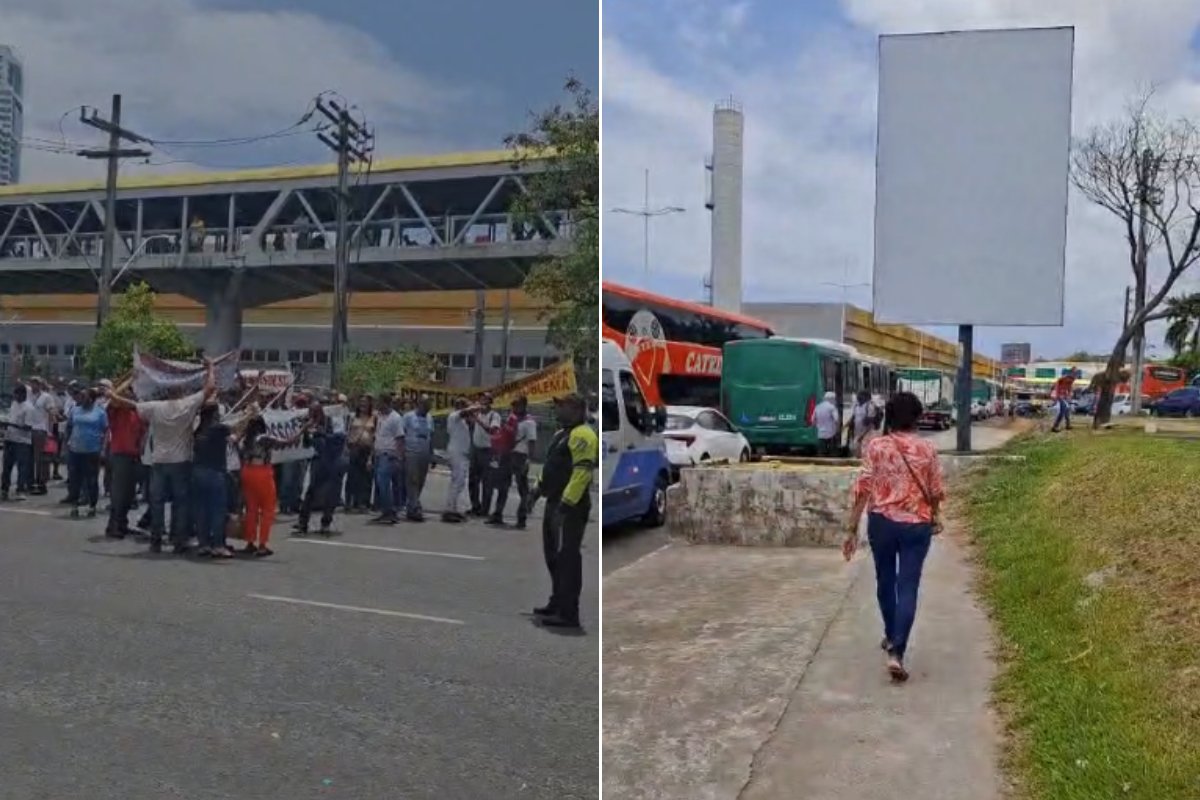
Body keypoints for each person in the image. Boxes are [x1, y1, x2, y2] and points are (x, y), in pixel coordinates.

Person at [842, 391, 946, 683]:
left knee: (885, 581)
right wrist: (934, 514)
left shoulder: (876, 446)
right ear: (916, 417)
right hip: (916, 526)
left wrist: (851, 528)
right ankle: (896, 651)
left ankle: (890, 635)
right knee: (908, 585)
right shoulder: (927, 449)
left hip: (882, 524)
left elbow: (862, 488)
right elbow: (936, 491)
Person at [109, 360, 215, 554]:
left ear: (167, 392)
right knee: (180, 502)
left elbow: (129, 404)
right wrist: (210, 368)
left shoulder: (155, 407)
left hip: (159, 461)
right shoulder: (188, 405)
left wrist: (113, 393)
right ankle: (178, 541)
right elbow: (210, 388)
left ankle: (156, 541)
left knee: (156, 502)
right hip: (181, 461)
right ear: (182, 392)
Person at [537, 394, 598, 630]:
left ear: (576, 409)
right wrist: (536, 490)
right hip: (554, 502)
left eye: (562, 406)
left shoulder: (583, 434)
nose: (557, 410)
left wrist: (565, 505)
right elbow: (550, 467)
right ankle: (557, 601)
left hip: (569, 507)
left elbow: (581, 473)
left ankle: (568, 612)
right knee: (553, 556)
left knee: (567, 559)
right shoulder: (561, 434)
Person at [240, 408, 296, 557]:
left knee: (251, 509)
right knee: (267, 509)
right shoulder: (264, 438)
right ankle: (262, 544)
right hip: (262, 472)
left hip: (247, 470)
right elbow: (288, 442)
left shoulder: (246, 439)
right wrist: (304, 428)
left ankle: (250, 541)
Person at [192, 402, 236, 558]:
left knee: (202, 509)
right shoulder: (218, 428)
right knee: (218, 510)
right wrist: (250, 414)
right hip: (215, 472)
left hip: (198, 471)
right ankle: (218, 544)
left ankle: (203, 543)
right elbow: (235, 428)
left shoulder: (198, 430)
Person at [295, 402, 347, 536]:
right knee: (311, 491)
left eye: (316, 412)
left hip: (334, 460)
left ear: (321, 412)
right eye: (311, 413)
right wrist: (306, 433)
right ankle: (302, 523)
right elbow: (307, 445)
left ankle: (326, 522)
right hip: (318, 461)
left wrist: (322, 433)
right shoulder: (309, 424)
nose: (313, 416)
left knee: (331, 494)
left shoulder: (333, 421)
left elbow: (340, 438)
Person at [488, 395, 537, 529]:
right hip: (508, 454)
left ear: (523, 406)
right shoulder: (512, 419)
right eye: (513, 405)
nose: (514, 408)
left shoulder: (529, 422)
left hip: (521, 456)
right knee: (503, 486)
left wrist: (529, 459)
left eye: (517, 405)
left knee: (523, 489)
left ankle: (522, 518)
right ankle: (497, 514)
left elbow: (532, 442)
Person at [105, 378, 145, 540]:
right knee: (119, 493)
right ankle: (113, 525)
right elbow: (113, 396)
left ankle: (122, 523)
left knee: (129, 494)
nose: (130, 395)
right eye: (129, 392)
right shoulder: (117, 411)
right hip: (120, 454)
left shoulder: (137, 412)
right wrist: (133, 377)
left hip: (135, 456)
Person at [66, 388, 108, 519]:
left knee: (91, 479)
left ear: (91, 398)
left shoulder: (100, 412)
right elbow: (70, 426)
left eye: (84, 396)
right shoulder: (75, 410)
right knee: (74, 480)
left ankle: (92, 505)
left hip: (92, 451)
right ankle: (74, 505)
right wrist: (67, 443)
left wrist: (103, 449)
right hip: (75, 450)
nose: (81, 398)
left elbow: (106, 431)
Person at [370, 394, 404, 525]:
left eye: (379, 402)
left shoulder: (395, 418)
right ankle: (385, 511)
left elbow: (400, 438)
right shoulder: (380, 416)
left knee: (383, 483)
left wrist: (399, 457)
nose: (377, 405)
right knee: (380, 484)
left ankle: (390, 511)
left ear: (386, 403)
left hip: (388, 454)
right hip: (379, 453)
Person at [442, 398, 474, 523]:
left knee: (459, 482)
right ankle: (450, 510)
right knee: (458, 481)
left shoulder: (463, 421)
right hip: (457, 453)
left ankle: (453, 508)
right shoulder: (454, 416)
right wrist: (477, 407)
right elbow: (465, 412)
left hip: (462, 453)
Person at [402, 395, 433, 522]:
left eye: (429, 405)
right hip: (411, 451)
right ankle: (414, 508)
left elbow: (432, 436)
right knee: (412, 479)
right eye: (425, 405)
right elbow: (401, 433)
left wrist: (431, 454)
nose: (427, 408)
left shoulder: (429, 417)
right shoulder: (408, 416)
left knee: (421, 480)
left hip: (424, 451)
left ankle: (412, 505)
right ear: (419, 404)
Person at [468, 393, 500, 516]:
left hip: (487, 451)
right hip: (476, 449)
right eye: (482, 400)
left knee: (487, 482)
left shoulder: (494, 415)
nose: (483, 402)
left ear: (490, 402)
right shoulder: (478, 413)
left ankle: (484, 510)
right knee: (473, 479)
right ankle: (475, 505)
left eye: (485, 400)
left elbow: (492, 430)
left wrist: (478, 420)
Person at [1, 384, 32, 502]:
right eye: (15, 394)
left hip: (22, 441)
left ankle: (20, 490)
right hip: (10, 439)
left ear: (23, 394)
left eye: (17, 394)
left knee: (22, 467)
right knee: (6, 466)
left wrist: (11, 425)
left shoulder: (28, 408)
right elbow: (10, 418)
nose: (15, 397)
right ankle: (4, 489)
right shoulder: (14, 404)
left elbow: (28, 427)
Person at [345, 396, 375, 513]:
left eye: (366, 402)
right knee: (352, 476)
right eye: (361, 402)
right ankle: (349, 501)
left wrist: (371, 456)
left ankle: (362, 503)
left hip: (367, 449)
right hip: (354, 448)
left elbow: (374, 436)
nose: (363, 404)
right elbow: (347, 432)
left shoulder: (373, 418)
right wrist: (346, 448)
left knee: (366, 477)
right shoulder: (353, 417)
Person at [26, 377, 54, 495]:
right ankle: (30, 482)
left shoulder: (46, 397)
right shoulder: (28, 394)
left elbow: (51, 413)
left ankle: (41, 483)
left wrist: (50, 431)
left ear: (41, 385)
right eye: (32, 383)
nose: (33, 385)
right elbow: (15, 381)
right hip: (27, 429)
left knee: (40, 459)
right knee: (28, 458)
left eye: (36, 383)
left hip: (40, 430)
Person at [848, 390, 881, 457]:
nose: (858, 397)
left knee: (867, 453)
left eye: (860, 396)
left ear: (866, 397)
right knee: (856, 451)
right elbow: (853, 418)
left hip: (868, 434)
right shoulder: (856, 406)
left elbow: (870, 424)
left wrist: (862, 436)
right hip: (858, 433)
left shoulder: (869, 406)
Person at [1050, 368, 1078, 433]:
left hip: (1063, 396)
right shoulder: (1062, 379)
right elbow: (1056, 387)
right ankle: (1055, 426)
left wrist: (1069, 396)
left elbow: (1069, 388)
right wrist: (1057, 396)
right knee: (1062, 411)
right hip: (1058, 395)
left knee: (1067, 410)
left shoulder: (1071, 380)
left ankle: (1068, 425)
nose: (1073, 379)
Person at [814, 391, 841, 456]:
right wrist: (838, 430)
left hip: (820, 434)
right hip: (831, 434)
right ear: (832, 399)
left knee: (821, 453)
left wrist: (818, 426)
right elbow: (836, 420)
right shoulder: (832, 407)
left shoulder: (817, 407)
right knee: (832, 453)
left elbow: (813, 420)